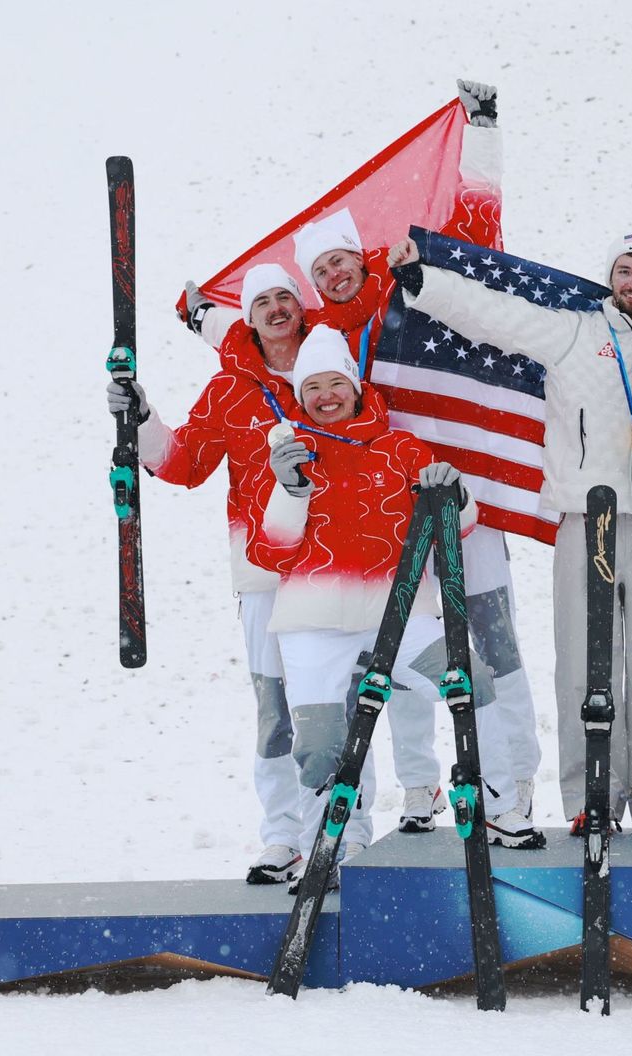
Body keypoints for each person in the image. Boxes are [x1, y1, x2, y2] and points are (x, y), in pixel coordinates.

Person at [281, 80, 541, 835]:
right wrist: (201, 319)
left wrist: (483, 131)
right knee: (388, 647)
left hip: (465, 495)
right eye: (319, 271)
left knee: (487, 644)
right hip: (386, 511)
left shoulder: (414, 285)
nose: (333, 275)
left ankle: (507, 787)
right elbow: (264, 367)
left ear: (357, 257)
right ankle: (420, 790)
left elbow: (480, 233)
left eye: (339, 261)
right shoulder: (324, 341)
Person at [387, 228, 632, 835]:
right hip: (587, 516)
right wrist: (423, 280)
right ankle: (591, 793)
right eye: (625, 270)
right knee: (585, 662)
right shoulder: (576, 332)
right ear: (611, 277)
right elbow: (494, 315)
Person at [248, 326, 541, 877]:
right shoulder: (292, 453)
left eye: (336, 382)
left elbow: (464, 522)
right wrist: (289, 491)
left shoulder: (400, 448)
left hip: (398, 610)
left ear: (356, 387)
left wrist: (454, 492)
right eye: (313, 387)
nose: (325, 396)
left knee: (471, 683)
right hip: (313, 621)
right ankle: (333, 843)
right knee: (319, 741)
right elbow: (270, 553)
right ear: (300, 395)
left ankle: (499, 807)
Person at [107, 264, 312, 884]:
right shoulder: (229, 389)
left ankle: (339, 835)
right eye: (262, 302)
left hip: (335, 566)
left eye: (285, 298)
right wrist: (141, 417)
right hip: (260, 571)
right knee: (275, 709)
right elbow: (184, 462)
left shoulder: (332, 369)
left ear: (301, 309)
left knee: (334, 709)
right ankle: (282, 837)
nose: (276, 309)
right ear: (246, 318)